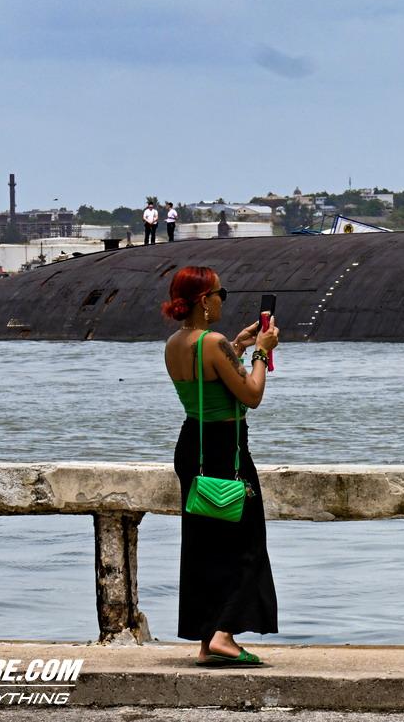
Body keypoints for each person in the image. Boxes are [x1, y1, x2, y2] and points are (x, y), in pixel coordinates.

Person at [162, 266, 280, 665]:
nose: (222, 299)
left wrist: (239, 346)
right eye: (219, 293)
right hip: (226, 450)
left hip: (192, 447)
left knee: (202, 547)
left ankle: (205, 637)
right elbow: (251, 395)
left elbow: (207, 377)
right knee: (246, 544)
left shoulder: (176, 343)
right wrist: (263, 351)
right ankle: (225, 635)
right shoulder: (213, 342)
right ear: (203, 301)